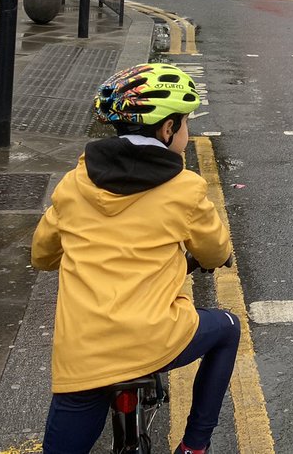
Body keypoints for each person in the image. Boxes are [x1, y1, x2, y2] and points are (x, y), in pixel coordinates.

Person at [33, 63, 239, 454]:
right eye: (185, 124)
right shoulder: (185, 189)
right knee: (228, 328)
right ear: (167, 129)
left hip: (85, 355)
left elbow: (42, 255)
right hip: (156, 338)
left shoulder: (74, 184)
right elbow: (214, 251)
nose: (186, 132)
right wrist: (218, 256)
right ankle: (195, 446)